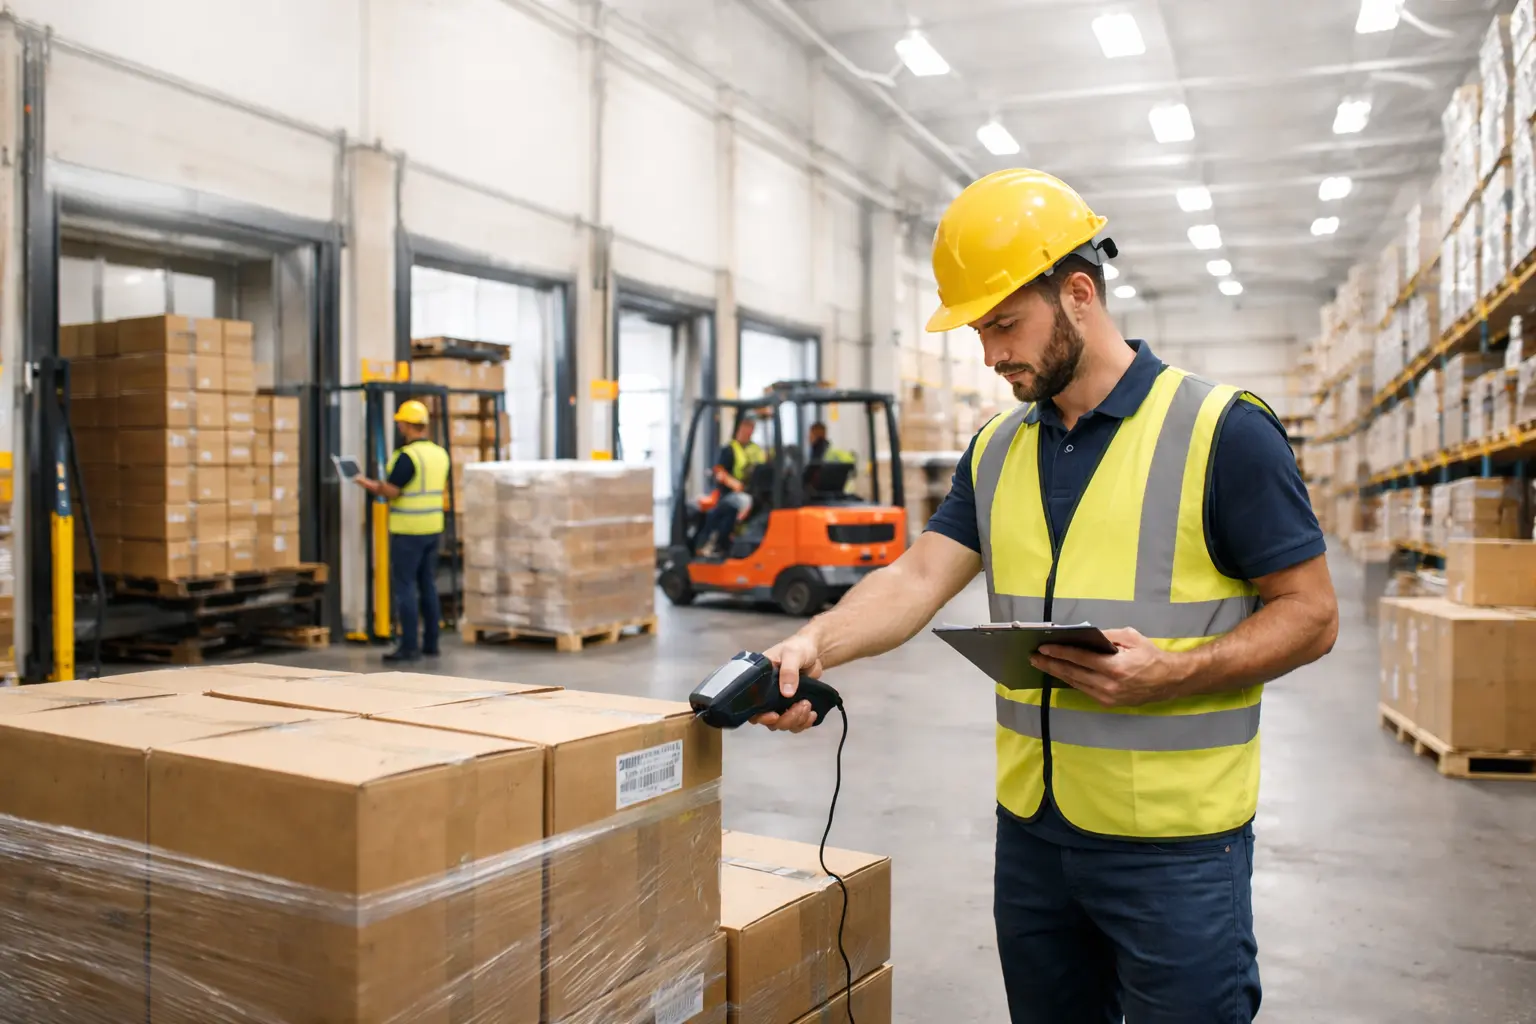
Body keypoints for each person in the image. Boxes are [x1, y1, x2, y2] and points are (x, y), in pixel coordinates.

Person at [751, 169, 1339, 1023]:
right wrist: (812, 646)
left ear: (1078, 293)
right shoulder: (996, 451)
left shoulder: (1222, 433)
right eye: (978, 332)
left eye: (1003, 324)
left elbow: (1313, 613)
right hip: (1033, 835)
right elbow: (919, 578)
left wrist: (1172, 672)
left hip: (1176, 849)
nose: (990, 354)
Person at [353, 399, 450, 663]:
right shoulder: (440, 453)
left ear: (406, 425)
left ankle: (409, 646)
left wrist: (365, 483)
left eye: (400, 422)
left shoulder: (409, 456)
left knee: (405, 587)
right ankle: (431, 643)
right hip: (433, 527)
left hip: (408, 530)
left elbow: (392, 491)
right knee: (428, 585)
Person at [697, 416, 764, 558]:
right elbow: (720, 472)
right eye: (746, 427)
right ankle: (713, 544)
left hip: (756, 492)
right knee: (734, 506)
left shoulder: (756, 449)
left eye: (751, 428)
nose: (748, 431)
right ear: (739, 428)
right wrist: (734, 484)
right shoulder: (730, 449)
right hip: (731, 493)